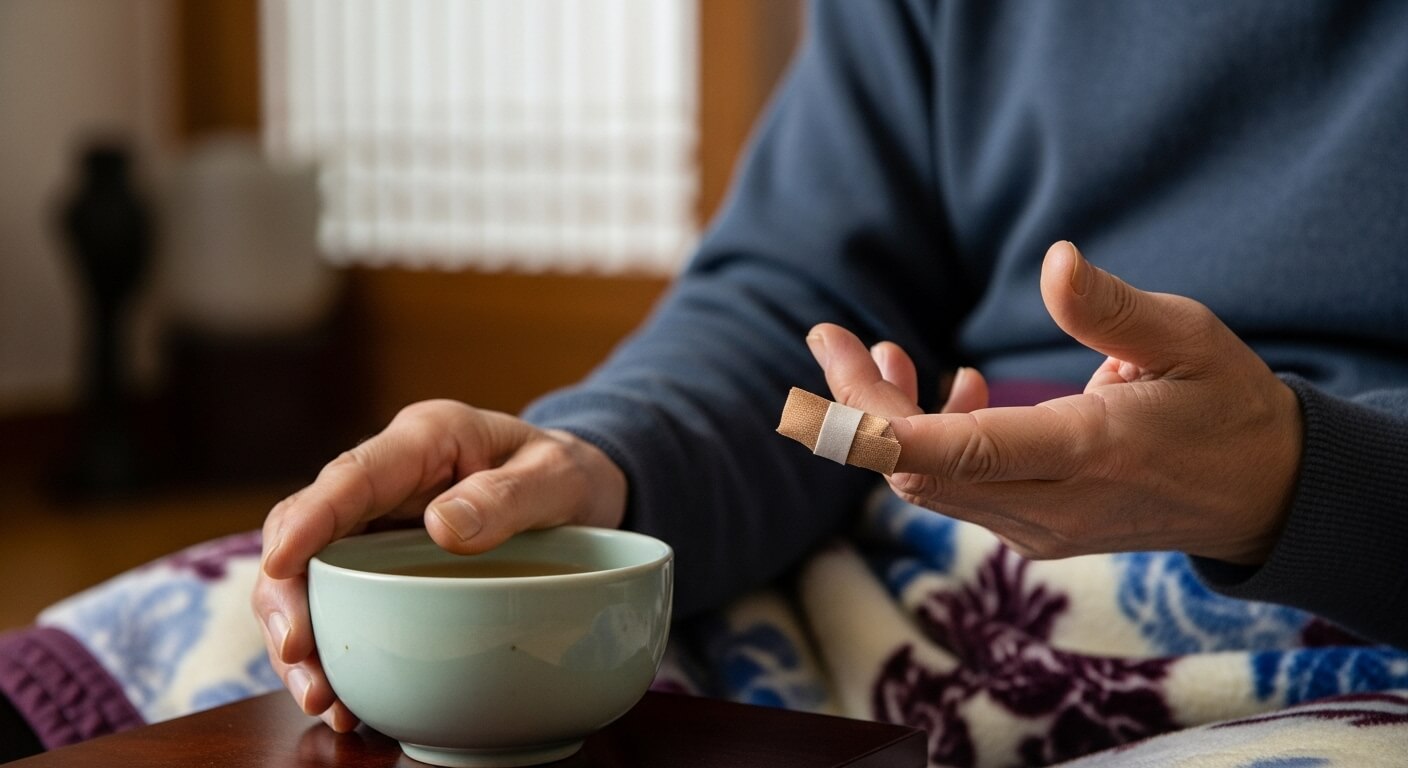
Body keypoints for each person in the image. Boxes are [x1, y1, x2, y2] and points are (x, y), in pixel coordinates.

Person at [5, 1, 1406, 764]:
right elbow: (784, 304)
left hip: (1350, 609)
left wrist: (1296, 477)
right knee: (170, 646)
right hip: (873, 552)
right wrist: (590, 461)